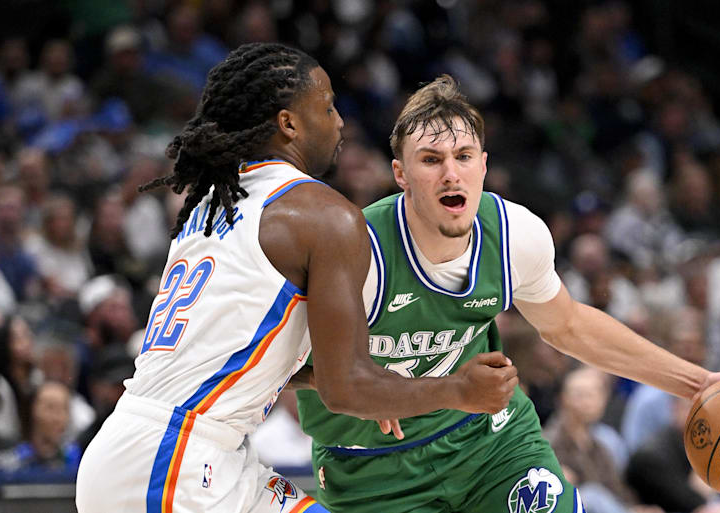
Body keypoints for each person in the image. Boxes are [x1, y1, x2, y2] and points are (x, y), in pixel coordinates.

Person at [75, 43, 517, 513]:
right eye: (327, 107)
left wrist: (380, 383)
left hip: (163, 450)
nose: (340, 121)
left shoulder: (213, 206)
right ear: (289, 124)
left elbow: (243, 358)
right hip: (177, 462)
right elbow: (344, 388)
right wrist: (458, 390)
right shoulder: (323, 215)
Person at [295, 75, 720, 513]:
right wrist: (370, 391)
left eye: (463, 156)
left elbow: (569, 325)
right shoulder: (357, 250)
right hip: (368, 467)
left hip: (488, 440)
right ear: (401, 174)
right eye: (431, 160)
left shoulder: (515, 234)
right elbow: (278, 361)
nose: (451, 174)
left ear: (484, 164)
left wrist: (698, 383)